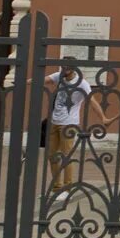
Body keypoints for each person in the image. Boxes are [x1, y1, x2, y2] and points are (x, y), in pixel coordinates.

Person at [43, 58, 91, 200]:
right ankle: (57, 187)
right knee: (52, 155)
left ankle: (67, 187)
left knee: (66, 156)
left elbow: (92, 99)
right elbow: (43, 79)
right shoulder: (59, 76)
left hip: (69, 123)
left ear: (73, 69)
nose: (63, 70)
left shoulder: (82, 83)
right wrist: (23, 81)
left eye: (66, 68)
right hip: (54, 121)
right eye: (62, 67)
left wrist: (103, 118)